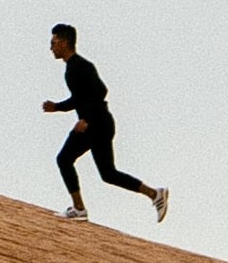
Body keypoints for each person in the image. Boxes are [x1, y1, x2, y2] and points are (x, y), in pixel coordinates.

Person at [43, 24, 169, 224]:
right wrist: (57, 107)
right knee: (108, 173)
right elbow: (79, 98)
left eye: (53, 42)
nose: (50, 47)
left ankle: (79, 209)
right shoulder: (72, 68)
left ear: (65, 42)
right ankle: (155, 194)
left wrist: (86, 120)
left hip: (96, 124)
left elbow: (101, 91)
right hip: (101, 123)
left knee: (64, 159)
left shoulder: (79, 66)